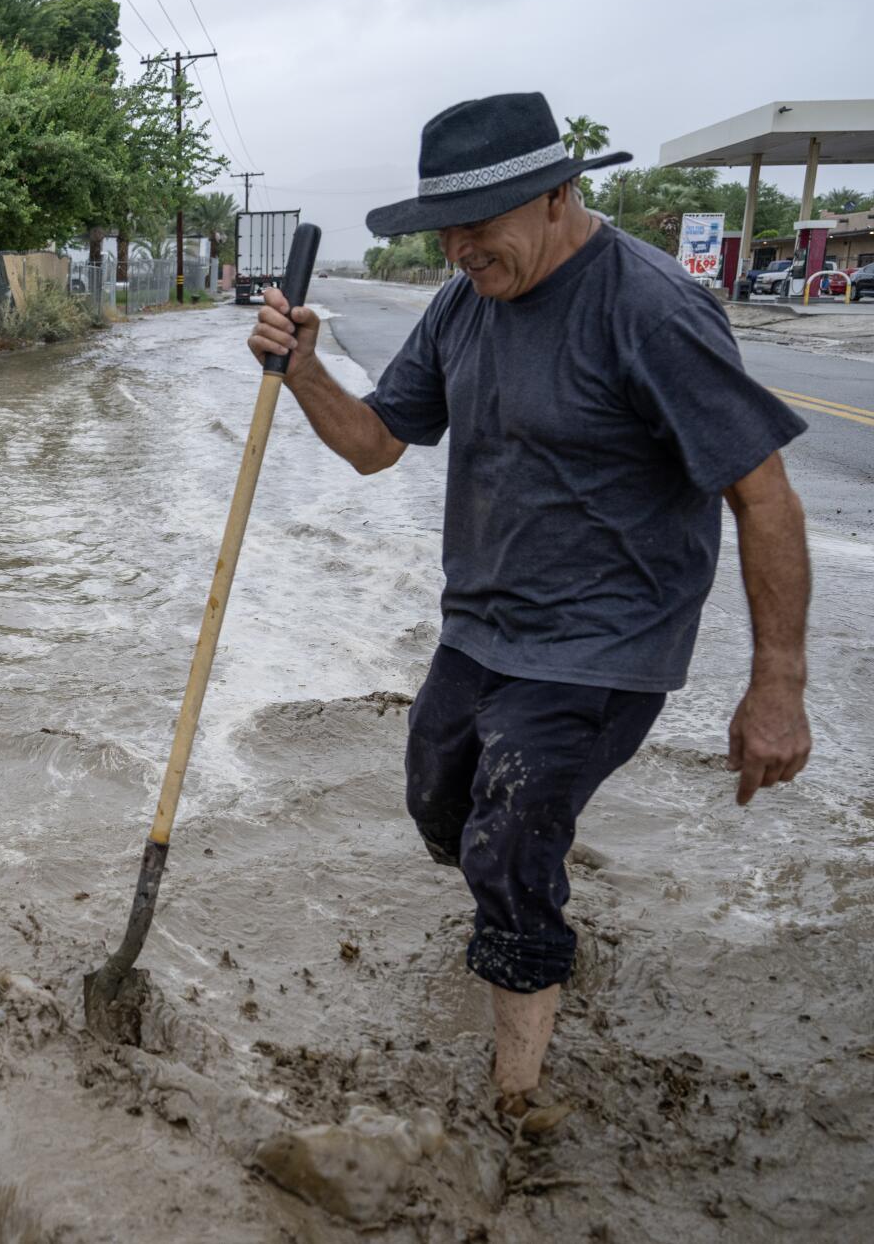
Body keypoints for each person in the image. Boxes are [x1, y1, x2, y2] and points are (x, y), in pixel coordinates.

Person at [248, 93, 811, 1126]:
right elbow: (376, 445)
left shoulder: (647, 308)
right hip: (482, 626)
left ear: (560, 196)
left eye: (485, 220)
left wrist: (775, 684)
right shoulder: (464, 301)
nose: (461, 247)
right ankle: (534, 926)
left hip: (607, 642)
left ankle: (517, 1109)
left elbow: (761, 492)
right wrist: (300, 370)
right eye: (446, 229)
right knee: (438, 804)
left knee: (505, 843)